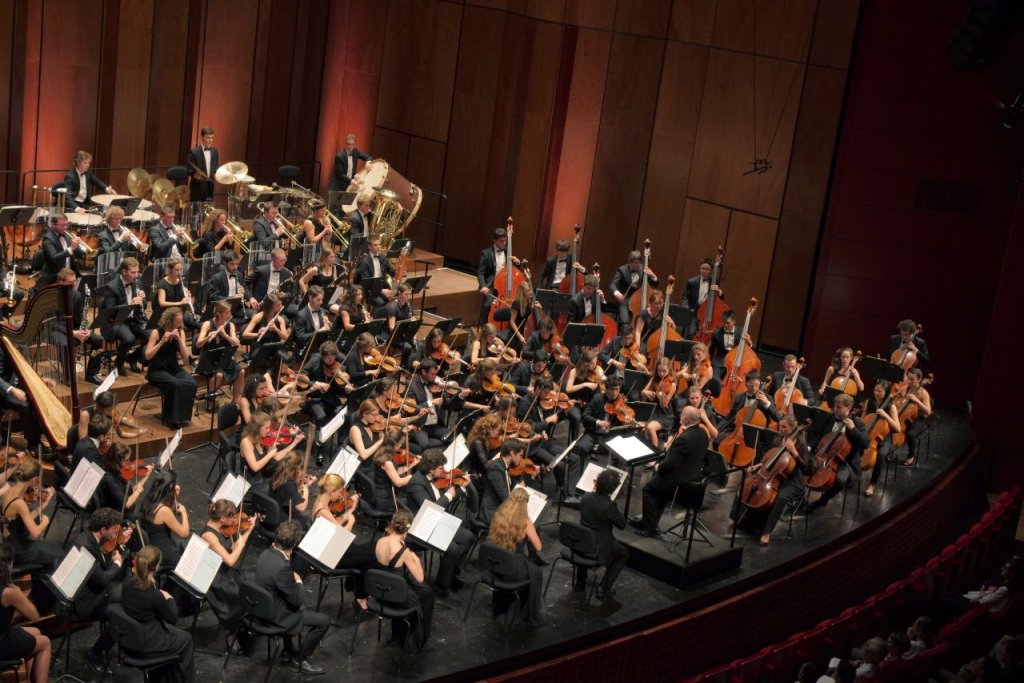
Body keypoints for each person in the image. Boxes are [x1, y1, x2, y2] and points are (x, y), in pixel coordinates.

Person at [254, 520, 329, 674]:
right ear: (293, 545)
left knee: (291, 603)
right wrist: (299, 581)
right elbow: (298, 599)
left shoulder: (265, 553)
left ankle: (288, 650)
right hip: (275, 617)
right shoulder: (283, 567)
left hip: (262, 607)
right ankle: (299, 659)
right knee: (323, 621)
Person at [730, 414, 813, 546]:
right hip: (773, 475)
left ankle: (766, 532)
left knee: (780, 497)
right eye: (780, 426)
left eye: (784, 427)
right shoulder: (779, 438)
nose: (780, 429)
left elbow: (807, 470)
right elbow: (770, 458)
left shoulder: (801, 445)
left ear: (792, 428)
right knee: (746, 483)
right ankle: (739, 518)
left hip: (792, 481)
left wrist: (794, 452)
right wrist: (758, 466)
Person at [120, 545, 196, 682]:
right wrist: (169, 598)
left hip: (129, 636)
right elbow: (172, 618)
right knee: (186, 639)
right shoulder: (154, 595)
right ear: (156, 568)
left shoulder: (127, 581)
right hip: (148, 642)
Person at [632, 406, 710, 537]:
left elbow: (669, 464)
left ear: (685, 419)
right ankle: (648, 522)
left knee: (649, 490)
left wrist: (658, 467)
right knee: (660, 492)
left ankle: (651, 527)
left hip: (678, 476)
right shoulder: (703, 434)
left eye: (681, 415)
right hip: (693, 473)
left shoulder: (685, 438)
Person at [403, 453, 473, 596]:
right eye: (440, 468)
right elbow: (430, 508)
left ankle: (451, 573)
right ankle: (442, 586)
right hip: (421, 525)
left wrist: (463, 488)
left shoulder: (434, 479)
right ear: (430, 469)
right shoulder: (416, 482)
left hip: (436, 520)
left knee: (468, 537)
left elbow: (447, 499)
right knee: (452, 548)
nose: (444, 471)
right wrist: (448, 495)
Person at [72, 507, 133, 672]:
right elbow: (103, 577)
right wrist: (118, 563)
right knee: (123, 615)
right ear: (103, 529)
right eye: (114, 529)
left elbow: (102, 565)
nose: (116, 533)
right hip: (84, 602)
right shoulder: (86, 547)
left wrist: (119, 546)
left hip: (94, 590)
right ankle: (95, 653)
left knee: (129, 596)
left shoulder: (89, 537)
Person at [373, 510, 435, 651]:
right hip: (397, 593)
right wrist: (414, 557)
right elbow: (420, 578)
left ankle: (397, 633)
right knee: (427, 594)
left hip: (381, 589)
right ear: (408, 528)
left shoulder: (380, 541)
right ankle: (413, 640)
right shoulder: (404, 552)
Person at [486, 487, 545, 624]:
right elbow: (538, 547)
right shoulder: (525, 522)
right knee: (536, 572)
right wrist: (532, 528)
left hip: (497, 564)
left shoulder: (499, 515)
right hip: (514, 568)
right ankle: (523, 610)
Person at [804, 393, 870, 513]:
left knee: (840, 481)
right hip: (824, 455)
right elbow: (819, 435)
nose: (835, 409)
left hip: (846, 461)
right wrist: (809, 448)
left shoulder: (857, 422)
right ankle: (800, 498)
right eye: (835, 406)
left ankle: (822, 501)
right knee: (803, 466)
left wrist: (853, 429)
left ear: (848, 408)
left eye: (839, 407)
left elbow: (866, 443)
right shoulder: (830, 417)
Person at [0, 543, 52, 683]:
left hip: (3, 632)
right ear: (7, 565)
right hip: (3, 643)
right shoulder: (9, 592)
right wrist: (20, 596)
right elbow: (34, 616)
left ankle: (29, 679)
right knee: (45, 643)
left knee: (35, 631)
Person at [200, 500, 253, 637]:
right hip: (216, 578)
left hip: (224, 571)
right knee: (245, 593)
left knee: (254, 583)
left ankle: (246, 624)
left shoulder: (222, 528)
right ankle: (236, 630)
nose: (235, 519)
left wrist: (248, 531)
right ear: (223, 518)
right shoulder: (209, 535)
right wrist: (240, 545)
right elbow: (230, 560)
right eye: (232, 516)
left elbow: (231, 549)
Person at [144, 308, 198, 428]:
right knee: (175, 384)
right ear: (169, 321)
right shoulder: (156, 333)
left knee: (191, 383)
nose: (180, 324)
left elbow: (185, 359)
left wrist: (179, 340)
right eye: (178, 322)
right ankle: (172, 419)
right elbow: (148, 356)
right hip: (157, 370)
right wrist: (162, 342)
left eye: (181, 321)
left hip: (173, 367)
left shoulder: (181, 332)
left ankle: (182, 416)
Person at [0, 459, 59, 568]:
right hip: (20, 551)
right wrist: (45, 521)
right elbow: (35, 533)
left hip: (11, 543)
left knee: (53, 552)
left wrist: (44, 504)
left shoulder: (9, 490)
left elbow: (24, 519)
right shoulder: (20, 503)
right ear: (35, 479)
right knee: (57, 559)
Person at [580, 468, 628, 599]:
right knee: (623, 554)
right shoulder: (609, 506)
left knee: (587, 541)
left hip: (580, 542)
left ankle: (580, 582)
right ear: (613, 489)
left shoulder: (586, 497)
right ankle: (604, 588)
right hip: (599, 547)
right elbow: (622, 525)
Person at [98, 256, 148, 375]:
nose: (136, 275)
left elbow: (143, 306)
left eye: (137, 272)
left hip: (135, 319)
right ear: (124, 271)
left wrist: (142, 300)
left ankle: (133, 358)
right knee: (129, 339)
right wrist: (130, 304)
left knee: (155, 333)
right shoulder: (112, 287)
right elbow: (111, 311)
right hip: (117, 320)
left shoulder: (138, 282)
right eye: (133, 272)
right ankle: (118, 363)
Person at [134, 469, 189, 569]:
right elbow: (184, 533)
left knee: (181, 543)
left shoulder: (147, 500)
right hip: (163, 553)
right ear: (170, 487)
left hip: (152, 544)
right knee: (185, 544)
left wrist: (174, 495)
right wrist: (184, 512)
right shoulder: (163, 511)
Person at [195, 300, 244, 403]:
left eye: (229, 312)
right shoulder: (208, 324)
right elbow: (198, 344)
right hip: (209, 358)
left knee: (241, 371)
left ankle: (235, 401)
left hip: (223, 357)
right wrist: (207, 336)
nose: (229, 314)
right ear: (218, 313)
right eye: (226, 312)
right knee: (219, 375)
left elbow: (236, 343)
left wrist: (225, 335)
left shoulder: (230, 325)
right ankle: (210, 400)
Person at [239, 412, 305, 483]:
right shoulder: (246, 442)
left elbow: (275, 458)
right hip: (253, 481)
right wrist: (270, 454)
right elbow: (255, 467)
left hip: (264, 474)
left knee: (285, 466)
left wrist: (295, 442)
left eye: (269, 427)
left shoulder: (260, 438)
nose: (268, 431)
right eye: (266, 428)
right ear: (257, 428)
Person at [861, 380, 901, 498]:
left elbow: (898, 428)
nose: (876, 393)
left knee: (882, 454)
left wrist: (886, 416)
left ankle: (872, 484)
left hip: (884, 438)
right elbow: (863, 419)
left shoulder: (891, 406)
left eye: (880, 391)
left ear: (886, 392)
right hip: (868, 434)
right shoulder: (869, 402)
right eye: (875, 390)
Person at [478, 438, 526, 525]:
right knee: (525, 523)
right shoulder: (496, 468)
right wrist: (520, 489)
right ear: (512, 453)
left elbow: (507, 485)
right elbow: (505, 498)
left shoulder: (502, 465)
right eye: (520, 455)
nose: (521, 459)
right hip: (492, 512)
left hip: (500, 507)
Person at [242, 293, 290, 373]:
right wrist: (258, 334)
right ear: (271, 306)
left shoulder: (280, 319)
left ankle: (276, 380)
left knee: (284, 357)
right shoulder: (258, 317)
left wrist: (276, 329)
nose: (281, 306)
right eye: (278, 305)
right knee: (269, 363)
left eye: (281, 304)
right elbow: (245, 334)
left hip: (273, 348)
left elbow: (285, 337)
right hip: (259, 348)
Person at [609, 249, 659, 327]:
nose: (638, 265)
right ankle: (625, 327)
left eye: (639, 262)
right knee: (623, 308)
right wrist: (617, 293)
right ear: (630, 262)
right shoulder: (622, 270)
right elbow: (613, 284)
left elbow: (655, 284)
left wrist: (653, 276)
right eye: (636, 262)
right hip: (626, 298)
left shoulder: (643, 269)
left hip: (640, 298)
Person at [37, 214, 86, 289]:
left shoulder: (68, 236)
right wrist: (71, 249)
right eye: (62, 225)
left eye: (67, 224)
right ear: (53, 225)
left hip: (70, 274)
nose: (65, 227)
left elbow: (79, 255)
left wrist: (78, 246)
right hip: (55, 275)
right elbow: (53, 258)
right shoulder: (48, 239)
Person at [897, 367, 933, 467]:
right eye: (908, 378)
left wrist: (916, 400)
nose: (909, 381)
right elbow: (897, 400)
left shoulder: (923, 393)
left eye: (912, 379)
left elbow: (928, 411)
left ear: (919, 379)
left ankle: (911, 456)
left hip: (920, 418)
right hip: (906, 416)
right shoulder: (905, 388)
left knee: (910, 434)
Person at [153, 256, 199, 331]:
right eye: (177, 270)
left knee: (198, 324)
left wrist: (187, 296)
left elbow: (182, 300)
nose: (180, 272)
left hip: (180, 313)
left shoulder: (181, 281)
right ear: (170, 270)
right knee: (183, 329)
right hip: (168, 315)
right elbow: (162, 303)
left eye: (181, 269)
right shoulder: (162, 284)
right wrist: (180, 303)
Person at [681, 257, 725, 335]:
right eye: (702, 268)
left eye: (707, 269)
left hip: (706, 311)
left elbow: (720, 298)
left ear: (711, 271)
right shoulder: (692, 282)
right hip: (694, 311)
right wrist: (687, 310)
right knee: (691, 332)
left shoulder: (714, 281)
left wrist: (719, 291)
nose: (704, 271)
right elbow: (685, 298)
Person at [269, 453, 313, 529]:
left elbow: (287, 495)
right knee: (309, 521)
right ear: (297, 468)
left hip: (272, 515)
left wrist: (298, 486)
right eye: (300, 467)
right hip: (283, 522)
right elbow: (301, 507)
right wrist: (306, 490)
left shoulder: (277, 475)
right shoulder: (289, 485)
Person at [352, 235, 395, 307]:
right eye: (375, 245)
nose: (378, 247)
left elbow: (391, 271)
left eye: (379, 244)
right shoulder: (364, 262)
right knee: (380, 302)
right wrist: (381, 290)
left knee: (395, 296)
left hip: (381, 285)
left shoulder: (383, 258)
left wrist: (400, 272)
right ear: (369, 247)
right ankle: (377, 316)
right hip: (369, 290)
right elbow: (367, 282)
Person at [708, 310, 751, 379]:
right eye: (724, 322)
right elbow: (711, 351)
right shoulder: (716, 333)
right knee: (715, 379)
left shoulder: (741, 332)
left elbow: (750, 350)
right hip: (719, 363)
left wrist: (749, 342)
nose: (725, 325)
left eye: (728, 323)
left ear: (734, 322)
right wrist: (708, 363)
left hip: (735, 363)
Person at [292, 285, 332, 357]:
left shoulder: (323, 312)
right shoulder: (301, 315)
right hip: (306, 349)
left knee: (339, 356)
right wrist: (318, 332)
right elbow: (301, 337)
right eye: (318, 299)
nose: (321, 302)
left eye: (322, 299)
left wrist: (330, 325)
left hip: (320, 346)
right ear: (310, 298)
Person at [186, 126, 218, 202]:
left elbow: (216, 166)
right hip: (197, 188)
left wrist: (217, 173)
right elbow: (188, 170)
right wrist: (194, 174)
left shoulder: (215, 152)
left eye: (212, 138)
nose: (210, 140)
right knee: (196, 212)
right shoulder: (194, 152)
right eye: (208, 137)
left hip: (209, 187)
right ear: (202, 137)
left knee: (208, 211)